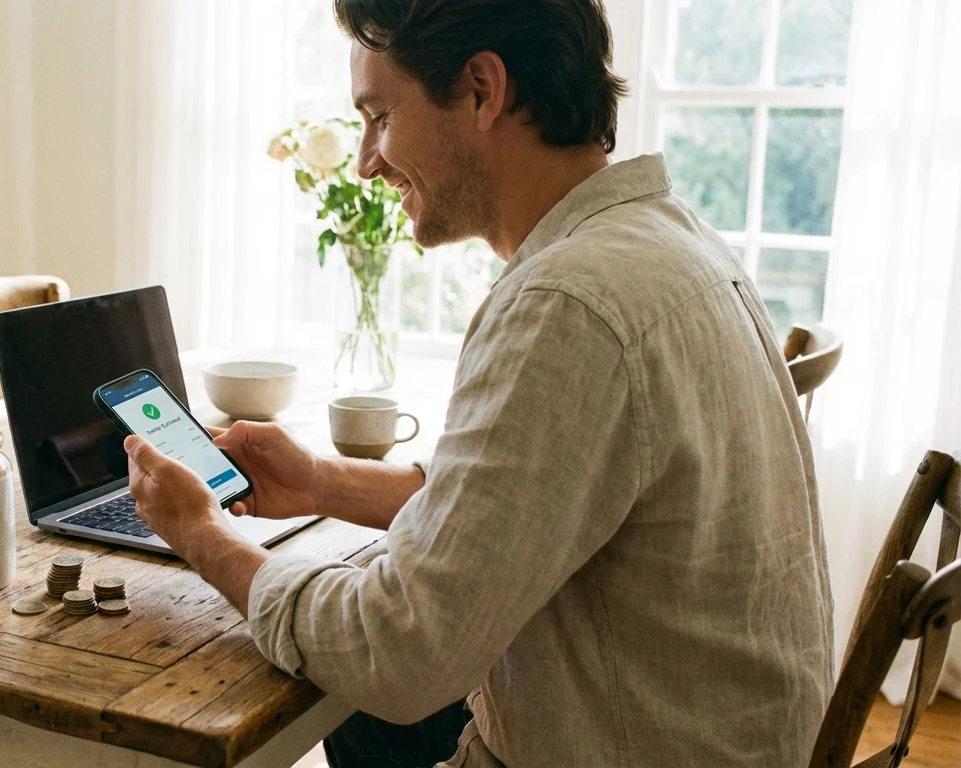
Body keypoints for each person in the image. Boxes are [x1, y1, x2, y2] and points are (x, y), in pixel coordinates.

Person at [122, 0, 834, 765]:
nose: (366, 161)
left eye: (380, 116)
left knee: (345, 680)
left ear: (481, 90)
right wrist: (324, 482)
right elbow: (525, 508)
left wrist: (202, 533)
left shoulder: (566, 307)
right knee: (354, 707)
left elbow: (397, 653)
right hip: (716, 733)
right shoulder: (669, 238)